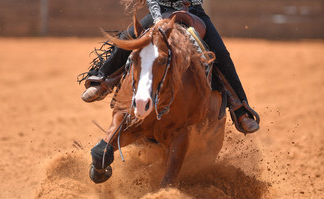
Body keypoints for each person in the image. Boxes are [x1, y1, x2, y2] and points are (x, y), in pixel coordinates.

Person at [80, 0, 259, 133]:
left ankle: (240, 109)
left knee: (220, 53)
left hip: (195, 12)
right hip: (162, 11)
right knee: (128, 39)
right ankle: (103, 81)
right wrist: (159, 21)